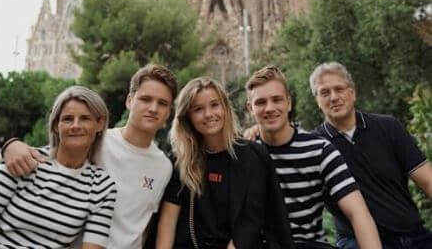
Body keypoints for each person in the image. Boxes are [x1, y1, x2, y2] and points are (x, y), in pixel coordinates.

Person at [1, 64, 178, 249]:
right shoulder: (94, 140)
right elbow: (40, 158)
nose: (153, 108)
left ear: (168, 111)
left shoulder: (164, 167)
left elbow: (146, 225)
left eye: (162, 103)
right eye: (145, 99)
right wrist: (9, 146)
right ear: (129, 100)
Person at [245, 66, 382, 249]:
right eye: (261, 102)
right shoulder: (245, 154)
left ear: (289, 102)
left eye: (277, 99)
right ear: (250, 109)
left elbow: (358, 214)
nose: (270, 108)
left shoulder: (320, 150)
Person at [156, 77, 294, 249]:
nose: (208, 114)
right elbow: (168, 221)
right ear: (188, 117)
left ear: (225, 107)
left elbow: (250, 221)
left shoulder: (252, 155)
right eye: (198, 109)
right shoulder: (181, 161)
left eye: (214, 105)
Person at [310, 62, 432, 249]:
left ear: (352, 92)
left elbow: (428, 181)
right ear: (317, 100)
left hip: (414, 237)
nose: (334, 97)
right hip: (356, 242)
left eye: (339, 89)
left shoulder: (388, 127)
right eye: (325, 93)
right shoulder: (313, 146)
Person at [0, 85, 116, 248]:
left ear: (99, 124)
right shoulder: (23, 160)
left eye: (85, 118)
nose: (75, 126)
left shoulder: (102, 186)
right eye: (67, 119)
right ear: (56, 125)